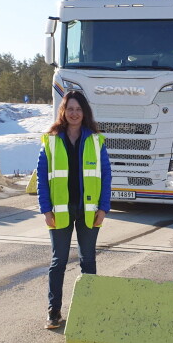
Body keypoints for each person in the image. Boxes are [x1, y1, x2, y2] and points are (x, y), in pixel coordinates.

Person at [36, 91, 112, 329]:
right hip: (60, 211)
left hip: (88, 210)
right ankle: (54, 312)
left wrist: (104, 207)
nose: (74, 113)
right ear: (63, 111)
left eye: (78, 109)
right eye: (70, 109)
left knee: (88, 261)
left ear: (84, 112)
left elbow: (106, 176)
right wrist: (46, 210)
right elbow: (41, 177)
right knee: (58, 262)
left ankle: (88, 310)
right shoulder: (51, 140)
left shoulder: (96, 141)